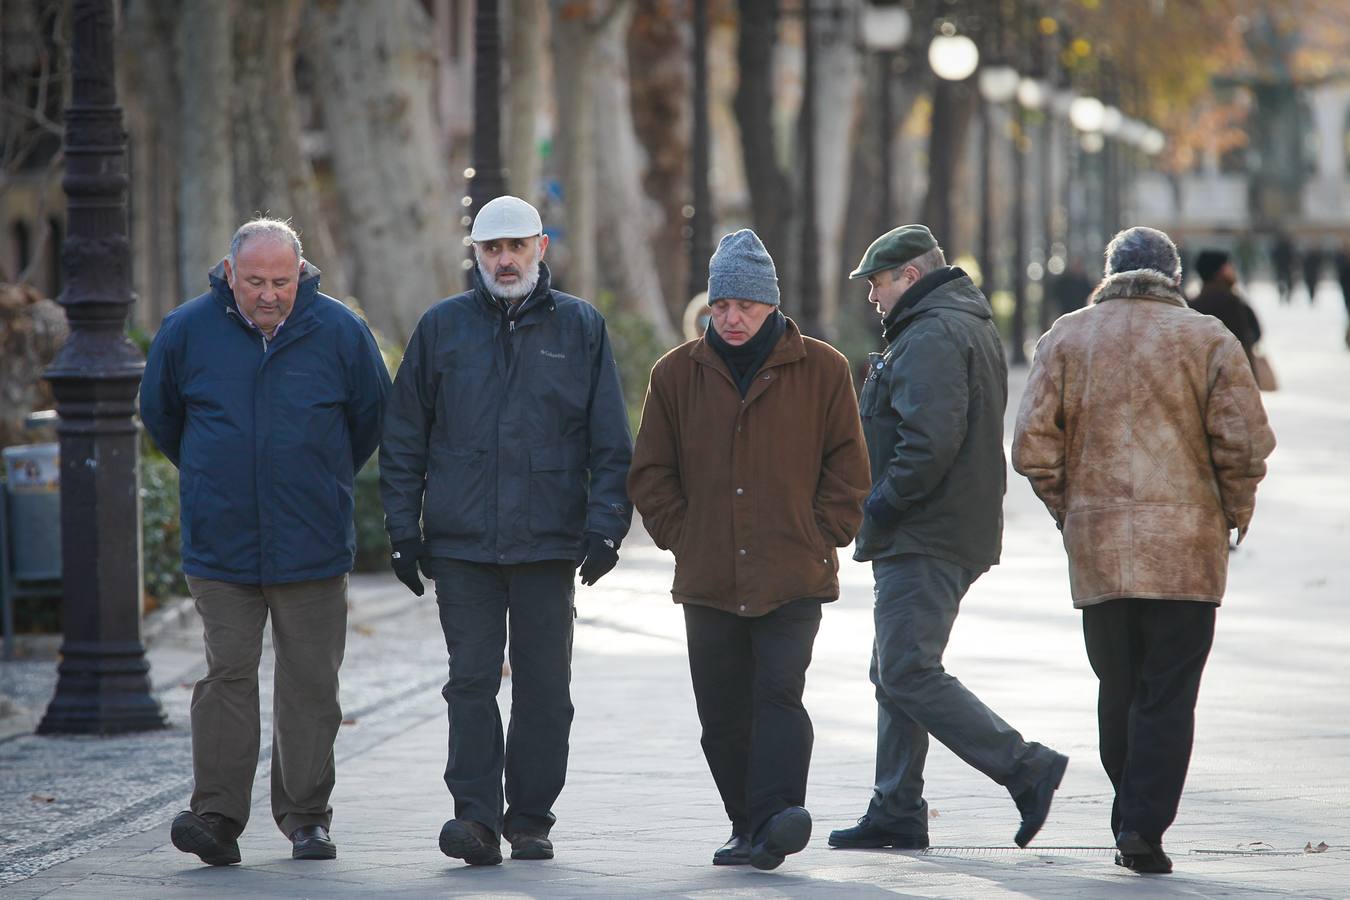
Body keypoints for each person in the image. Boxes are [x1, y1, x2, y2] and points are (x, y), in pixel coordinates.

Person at [379, 195, 632, 866]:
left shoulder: (581, 328)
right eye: (493, 249)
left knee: (546, 687)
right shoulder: (442, 329)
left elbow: (611, 438)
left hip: (549, 542)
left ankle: (530, 819)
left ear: (541, 247)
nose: (506, 259)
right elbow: (404, 438)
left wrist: (607, 526)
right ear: (477, 255)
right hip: (462, 545)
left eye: (517, 245)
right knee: (470, 682)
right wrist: (403, 532)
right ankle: (476, 819)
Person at [1013, 226, 1275, 875]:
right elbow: (1245, 444)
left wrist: (1071, 512)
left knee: (1119, 686)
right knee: (1167, 693)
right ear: (1173, 275)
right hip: (1187, 553)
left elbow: (1031, 448)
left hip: (1099, 550)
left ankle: (1131, 807)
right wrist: (1234, 514)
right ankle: (1143, 823)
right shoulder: (1209, 338)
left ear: (1111, 272)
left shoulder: (1066, 336)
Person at [140, 218, 391, 866]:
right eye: (256, 281)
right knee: (227, 677)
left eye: (281, 281)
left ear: (300, 274)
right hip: (221, 546)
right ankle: (216, 817)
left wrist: (321, 478)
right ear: (230, 274)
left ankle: (306, 818)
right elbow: (163, 416)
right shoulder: (187, 331)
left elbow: (370, 418)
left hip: (310, 542)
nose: (269, 294)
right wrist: (211, 475)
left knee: (310, 684)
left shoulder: (340, 331)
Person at [628, 229, 871, 871]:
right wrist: (686, 538)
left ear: (772, 306)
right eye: (721, 306)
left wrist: (822, 532)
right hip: (708, 577)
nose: (732, 318)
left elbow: (848, 467)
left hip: (794, 571)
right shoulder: (675, 374)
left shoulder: (823, 369)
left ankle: (777, 815)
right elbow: (651, 474)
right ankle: (750, 825)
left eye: (746, 306)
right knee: (721, 714)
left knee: (778, 695)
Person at [829, 224, 1069, 855]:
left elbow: (928, 441)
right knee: (895, 669)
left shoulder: (933, 331)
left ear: (909, 276)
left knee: (907, 669)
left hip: (925, 528)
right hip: (940, 525)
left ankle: (1025, 767)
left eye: (877, 284)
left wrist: (880, 504)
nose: (872, 298)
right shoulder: (951, 321)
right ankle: (897, 809)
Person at [1189, 249, 1262, 374]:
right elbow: (1251, 335)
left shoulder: (1194, 304)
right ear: (1220, 271)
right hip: (1234, 377)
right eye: (1229, 266)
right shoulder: (1231, 303)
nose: (1233, 269)